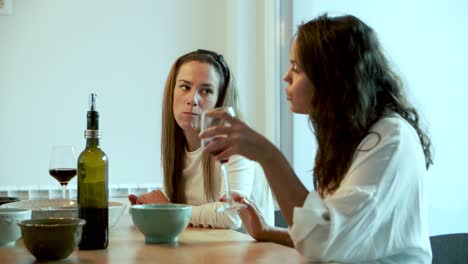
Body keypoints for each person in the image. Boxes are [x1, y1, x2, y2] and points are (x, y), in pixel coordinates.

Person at [200, 14, 433, 263]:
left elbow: (324, 242)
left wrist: (268, 155)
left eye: (297, 68)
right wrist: (269, 232)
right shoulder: (349, 136)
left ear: (333, 78)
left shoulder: (390, 139)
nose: (286, 77)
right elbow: (339, 236)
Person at [128, 49, 274, 229]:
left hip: (250, 255)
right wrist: (149, 207)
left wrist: (167, 209)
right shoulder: (177, 147)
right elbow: (190, 209)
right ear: (172, 92)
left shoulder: (235, 141)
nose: (192, 99)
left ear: (219, 100)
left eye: (206, 91)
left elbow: (231, 216)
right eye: (185, 87)